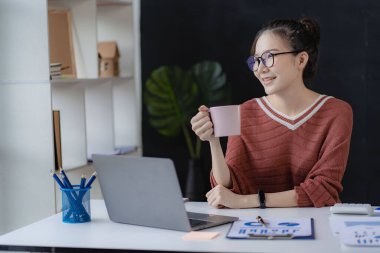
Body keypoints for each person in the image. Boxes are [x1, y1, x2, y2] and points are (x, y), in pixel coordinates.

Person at [190, 18, 353, 208]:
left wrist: (249, 201)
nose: (260, 68)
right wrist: (213, 141)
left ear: (301, 60)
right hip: (257, 227)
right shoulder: (245, 112)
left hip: (320, 226)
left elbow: (324, 190)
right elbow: (227, 188)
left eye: (269, 57)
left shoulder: (336, 112)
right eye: (256, 60)